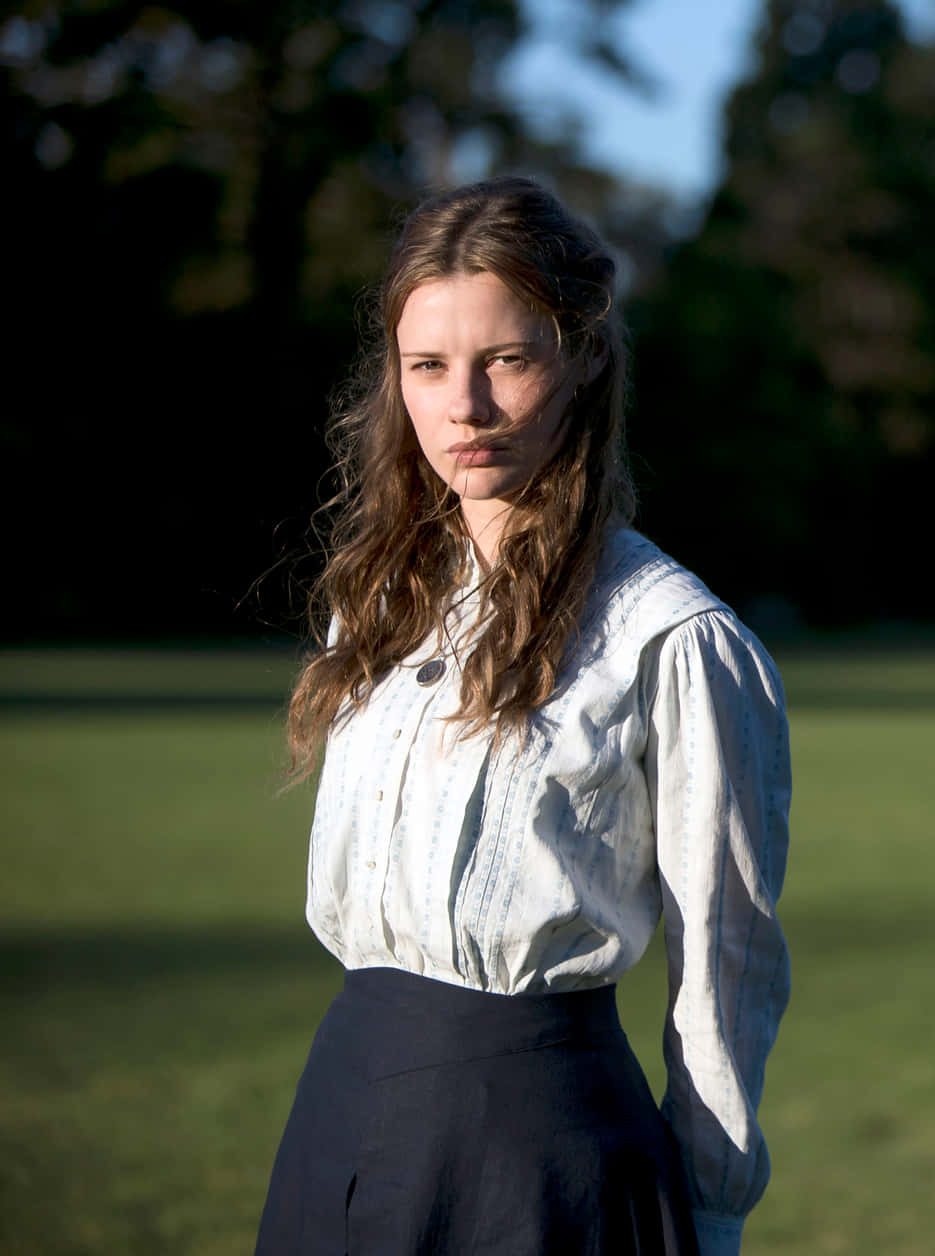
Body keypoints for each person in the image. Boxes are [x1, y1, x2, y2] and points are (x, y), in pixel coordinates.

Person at [258, 177, 791, 1256]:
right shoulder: (375, 603)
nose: (466, 405)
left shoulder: (670, 636)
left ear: (585, 354)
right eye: (429, 366)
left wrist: (716, 1206)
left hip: (541, 1155)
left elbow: (725, 954)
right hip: (342, 1110)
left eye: (507, 358)